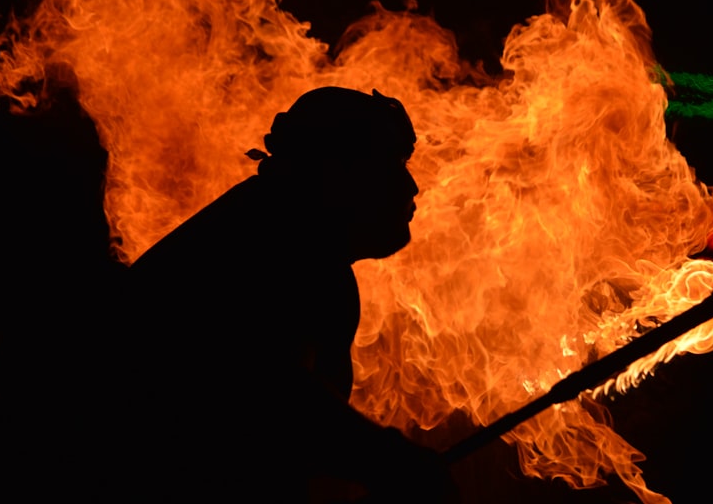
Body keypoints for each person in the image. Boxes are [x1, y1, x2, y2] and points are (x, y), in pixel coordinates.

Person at [98, 86, 455, 503]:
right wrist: (391, 461)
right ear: (336, 171)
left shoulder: (296, 244)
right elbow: (271, 398)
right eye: (390, 165)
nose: (411, 187)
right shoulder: (264, 245)